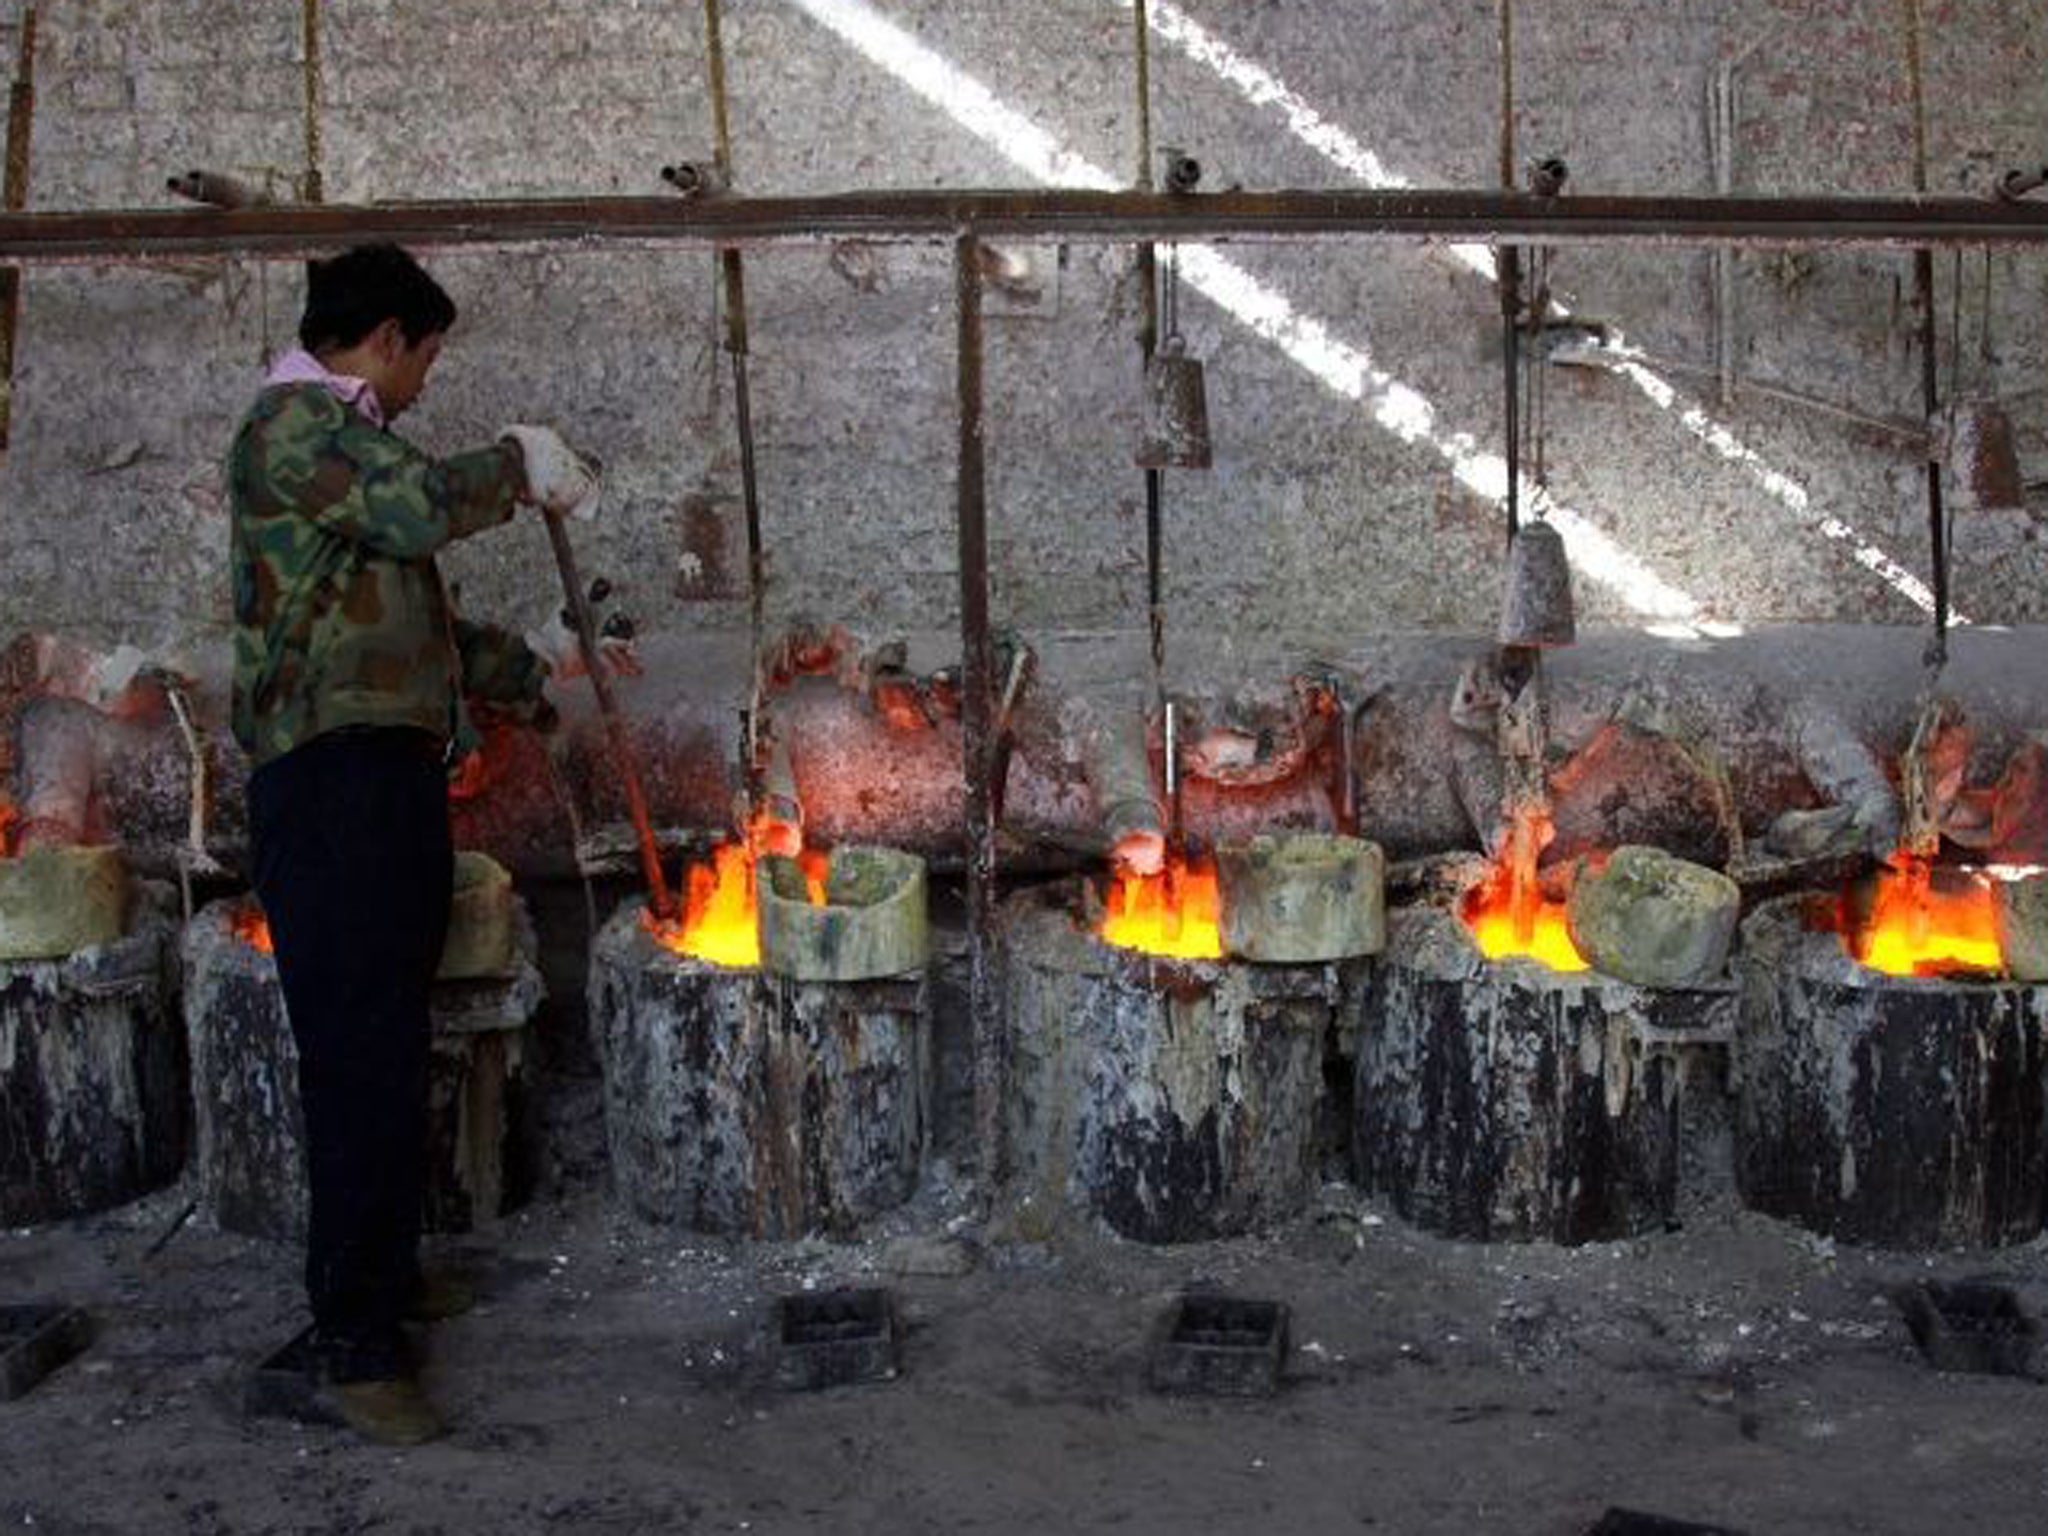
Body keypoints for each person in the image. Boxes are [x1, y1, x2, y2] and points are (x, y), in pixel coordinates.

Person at [227, 243, 598, 1445]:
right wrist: (515, 467)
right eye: (430, 354)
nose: (430, 380)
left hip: (382, 778)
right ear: (385, 336)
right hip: (329, 783)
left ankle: (380, 1280)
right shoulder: (294, 429)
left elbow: (412, 620)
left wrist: (530, 671)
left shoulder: (348, 453)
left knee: (389, 1041)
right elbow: (416, 511)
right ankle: (351, 1343)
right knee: (355, 1055)